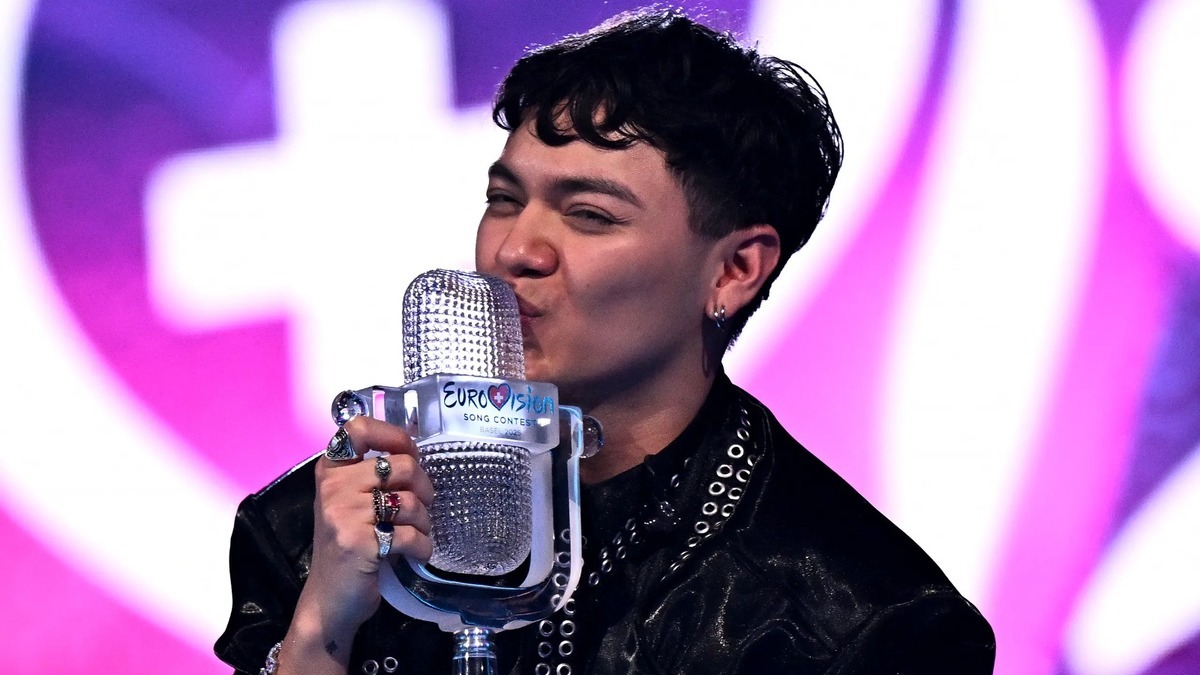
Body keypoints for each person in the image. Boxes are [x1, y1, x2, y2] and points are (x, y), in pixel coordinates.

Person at [216, 8, 996, 674]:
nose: (515, 249)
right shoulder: (309, 532)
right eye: (504, 199)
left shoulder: (862, 618)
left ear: (734, 270)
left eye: (589, 214)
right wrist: (319, 634)